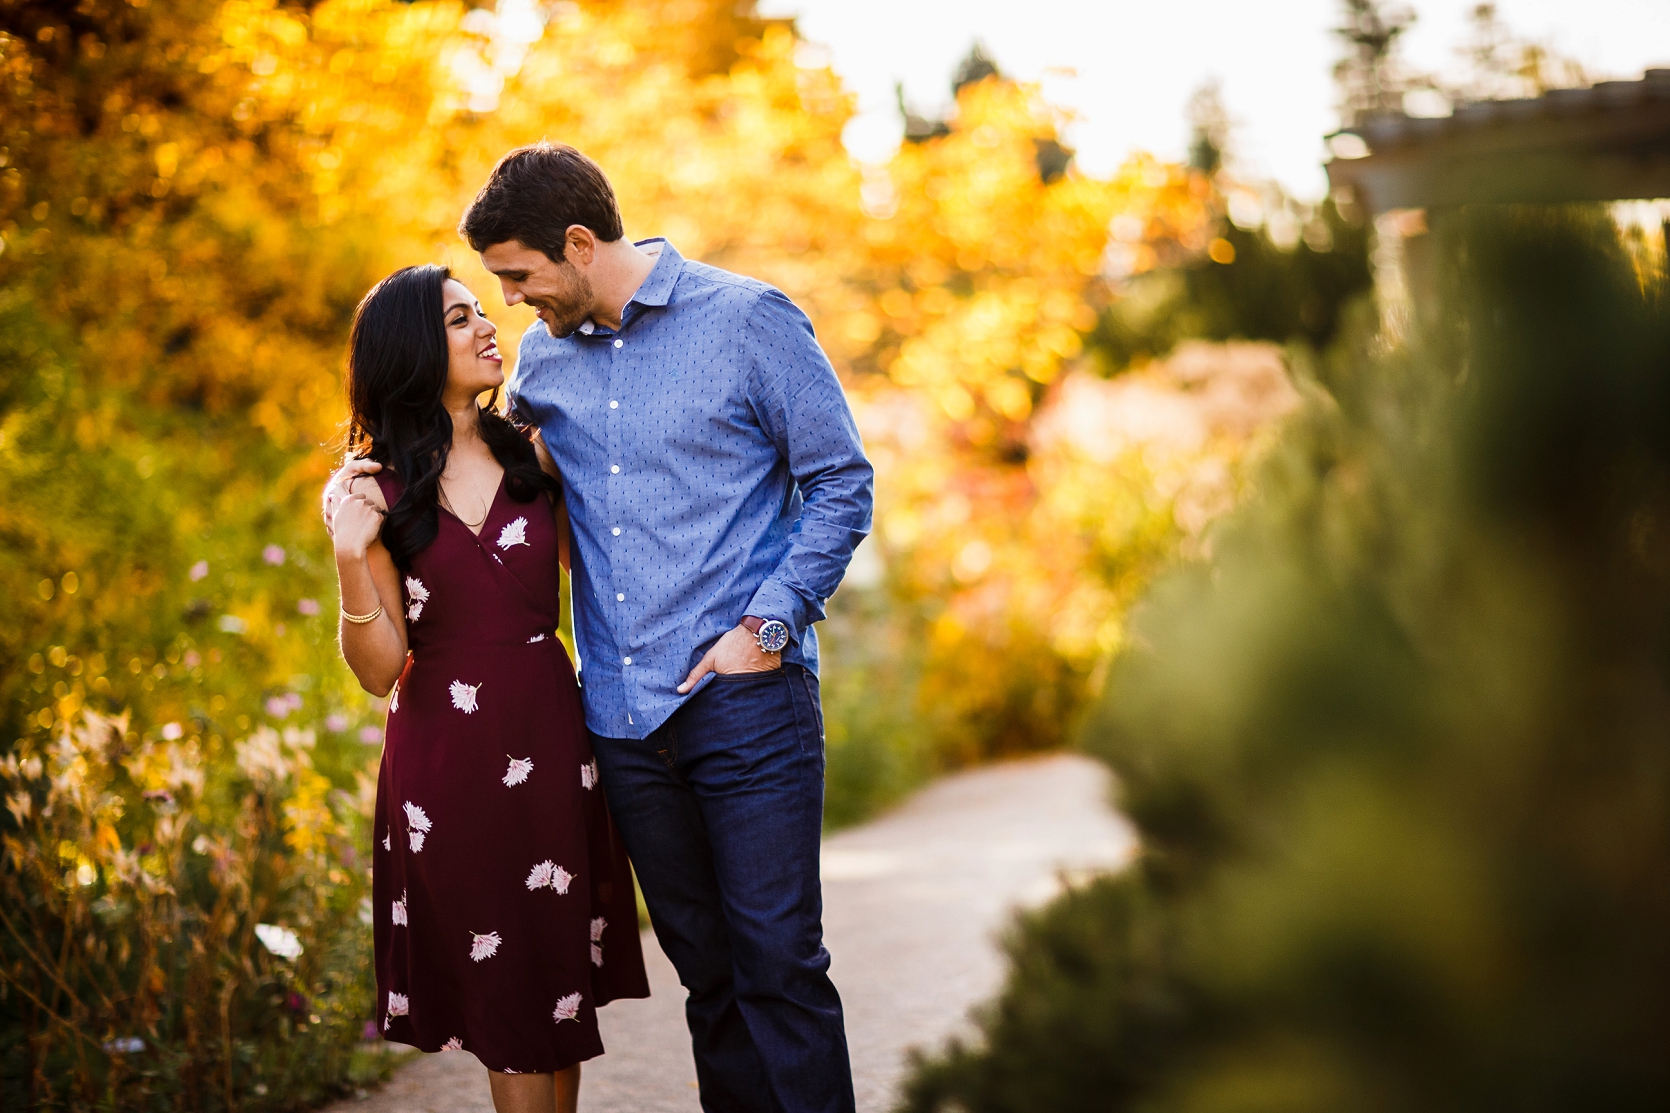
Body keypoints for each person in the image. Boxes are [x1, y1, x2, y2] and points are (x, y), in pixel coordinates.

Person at [329, 142, 873, 1113]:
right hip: (619, 725)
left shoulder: (747, 320)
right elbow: (481, 491)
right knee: (709, 982)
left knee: (777, 966)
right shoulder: (541, 368)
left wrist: (771, 624)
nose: (511, 303)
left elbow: (839, 480)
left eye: (517, 278)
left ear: (577, 244)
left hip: (743, 700)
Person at [328, 262, 648, 1113]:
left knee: (557, 987)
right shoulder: (374, 491)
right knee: (505, 990)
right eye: (459, 318)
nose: (486, 326)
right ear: (411, 350)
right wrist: (349, 559)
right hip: (447, 766)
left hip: (552, 741)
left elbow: (607, 568)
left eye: (481, 311)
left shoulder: (535, 451)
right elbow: (376, 670)